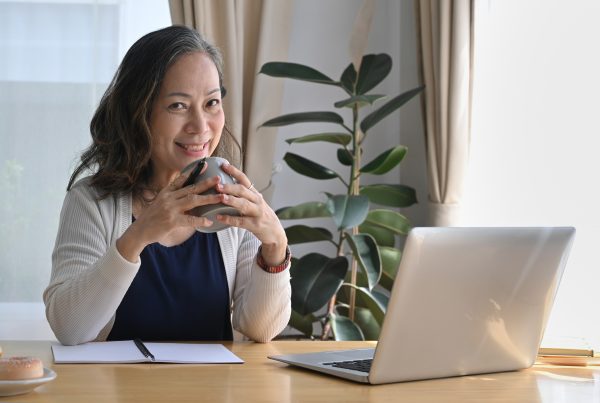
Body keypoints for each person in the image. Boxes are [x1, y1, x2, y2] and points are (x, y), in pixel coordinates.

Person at [43, 25, 291, 346]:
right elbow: (69, 328)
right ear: (139, 113)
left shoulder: (230, 198)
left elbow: (260, 329)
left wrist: (274, 250)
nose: (201, 126)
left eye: (211, 103)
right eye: (178, 105)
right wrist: (138, 236)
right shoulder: (91, 201)